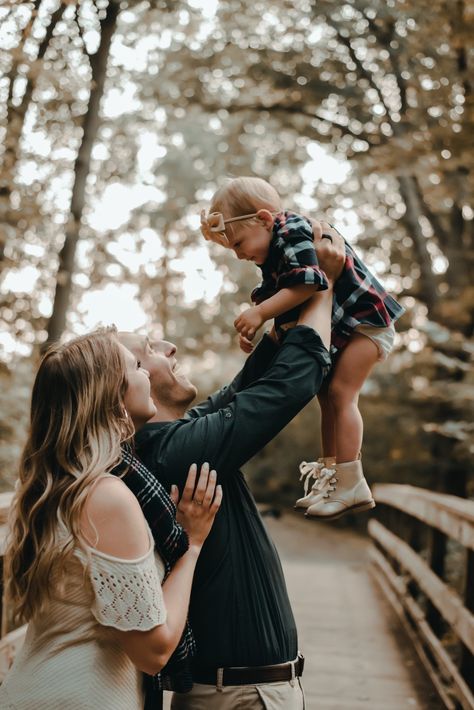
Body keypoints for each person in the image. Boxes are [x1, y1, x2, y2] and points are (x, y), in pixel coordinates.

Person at [118, 224, 343, 710]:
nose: (169, 348)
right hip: (238, 696)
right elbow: (286, 388)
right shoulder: (172, 451)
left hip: (239, 690)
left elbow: (245, 387)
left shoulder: (172, 440)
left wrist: (286, 308)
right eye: (149, 352)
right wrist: (323, 285)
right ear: (124, 387)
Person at [0, 328, 221, 710]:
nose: (148, 373)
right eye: (137, 366)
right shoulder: (106, 496)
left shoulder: (51, 484)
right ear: (113, 395)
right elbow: (154, 652)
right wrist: (193, 544)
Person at [200, 176, 405, 520]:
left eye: (238, 244)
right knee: (326, 396)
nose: (238, 256)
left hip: (368, 322)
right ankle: (331, 478)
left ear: (264, 219)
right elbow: (276, 295)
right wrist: (258, 320)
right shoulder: (273, 249)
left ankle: (352, 481)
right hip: (348, 326)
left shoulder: (292, 230)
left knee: (341, 394)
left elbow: (310, 282)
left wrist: (260, 313)